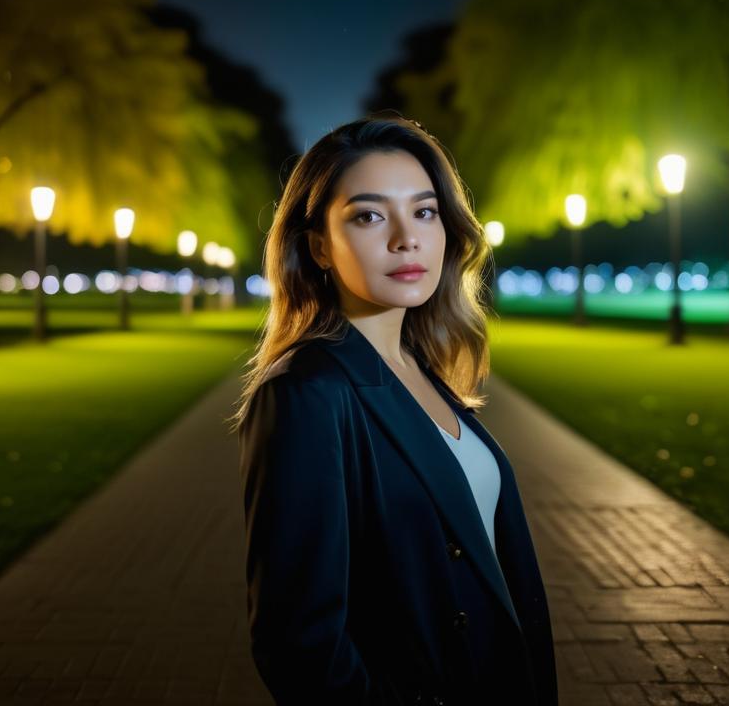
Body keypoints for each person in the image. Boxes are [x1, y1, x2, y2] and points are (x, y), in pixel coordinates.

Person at [229, 115, 558, 705]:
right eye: (369, 215)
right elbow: (299, 645)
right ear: (319, 248)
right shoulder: (306, 393)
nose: (406, 238)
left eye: (425, 211)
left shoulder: (419, 367)